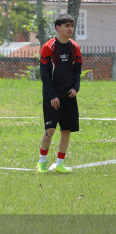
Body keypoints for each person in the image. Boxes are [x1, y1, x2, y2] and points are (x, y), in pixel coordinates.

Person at [36, 14, 82, 174]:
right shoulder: (48, 47)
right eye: (67, 26)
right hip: (52, 95)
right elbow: (45, 75)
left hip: (69, 95)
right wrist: (52, 95)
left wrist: (76, 88)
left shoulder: (75, 47)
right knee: (50, 129)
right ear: (58, 28)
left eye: (72, 26)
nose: (70, 29)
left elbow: (77, 72)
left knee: (67, 129)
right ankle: (41, 163)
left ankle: (60, 164)